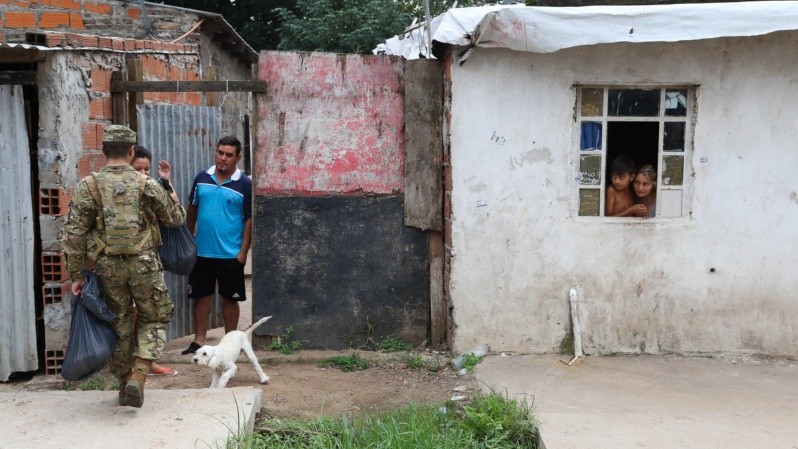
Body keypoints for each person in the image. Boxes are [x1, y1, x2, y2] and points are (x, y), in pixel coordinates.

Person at [62, 125, 186, 408]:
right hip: (144, 264)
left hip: (107, 267)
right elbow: (174, 219)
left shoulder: (88, 186)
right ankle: (139, 374)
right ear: (131, 151)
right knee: (154, 317)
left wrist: (77, 275)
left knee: (118, 321)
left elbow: (74, 234)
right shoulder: (146, 184)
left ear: (103, 150)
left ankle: (123, 383)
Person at [181, 135, 252, 355]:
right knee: (201, 296)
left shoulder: (244, 184)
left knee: (230, 299)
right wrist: (188, 240)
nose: (223, 158)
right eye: (220, 153)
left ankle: (230, 343)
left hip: (230, 254)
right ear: (215, 152)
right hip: (202, 252)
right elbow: (192, 208)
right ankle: (199, 341)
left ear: (237, 158)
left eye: (229, 155)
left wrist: (243, 252)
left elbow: (249, 220)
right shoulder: (202, 177)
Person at [130, 146, 178, 377]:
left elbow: (175, 211)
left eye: (146, 169)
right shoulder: (120, 190)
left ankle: (146, 362)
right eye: (138, 168)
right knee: (133, 315)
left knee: (147, 313)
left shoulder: (152, 187)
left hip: (148, 260)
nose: (143, 173)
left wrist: (166, 182)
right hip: (129, 263)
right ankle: (134, 366)